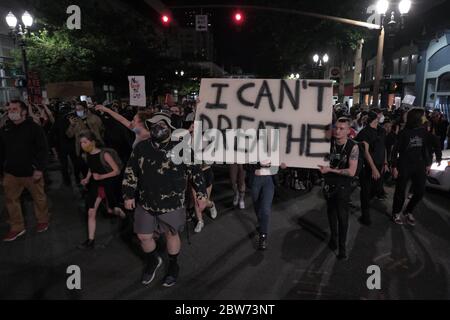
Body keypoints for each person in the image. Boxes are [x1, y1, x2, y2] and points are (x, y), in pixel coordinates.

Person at [122, 113, 208, 287]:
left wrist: (201, 194)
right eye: (153, 124)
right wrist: (128, 194)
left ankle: (173, 265)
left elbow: (196, 172)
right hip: (146, 201)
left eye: (161, 124)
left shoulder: (182, 148)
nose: (157, 127)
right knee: (143, 236)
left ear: (170, 127)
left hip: (172, 203)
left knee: (172, 234)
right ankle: (153, 261)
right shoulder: (141, 147)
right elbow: (130, 171)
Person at [0, 100, 50, 241]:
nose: (11, 111)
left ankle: (42, 220)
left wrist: (40, 169)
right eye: (9, 109)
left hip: (32, 173)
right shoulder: (5, 129)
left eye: (14, 108)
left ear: (24, 111)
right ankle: (17, 227)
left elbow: (43, 150)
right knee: (11, 201)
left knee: (39, 198)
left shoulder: (34, 128)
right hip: (11, 173)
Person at [391, 108, 442, 225]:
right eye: (423, 115)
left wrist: (430, 162)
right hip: (404, 165)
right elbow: (395, 151)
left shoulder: (423, 131)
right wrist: (394, 166)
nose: (425, 117)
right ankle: (396, 212)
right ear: (417, 118)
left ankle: (408, 211)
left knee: (420, 191)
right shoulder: (404, 133)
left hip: (419, 165)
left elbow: (431, 145)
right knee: (400, 191)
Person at [319, 117, 359, 260]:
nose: (338, 131)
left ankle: (342, 247)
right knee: (331, 213)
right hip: (329, 183)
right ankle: (334, 239)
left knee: (342, 217)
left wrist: (331, 170)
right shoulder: (328, 144)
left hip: (343, 184)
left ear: (349, 131)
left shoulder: (353, 146)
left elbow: (352, 171)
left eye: (342, 128)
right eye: (336, 127)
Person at [77, 131, 126, 249]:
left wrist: (101, 176)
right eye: (81, 143)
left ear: (92, 142)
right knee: (92, 212)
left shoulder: (104, 155)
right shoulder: (87, 154)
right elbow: (91, 167)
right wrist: (87, 179)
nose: (82, 145)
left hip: (106, 184)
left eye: (85, 142)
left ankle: (124, 215)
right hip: (95, 185)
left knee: (108, 210)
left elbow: (117, 171)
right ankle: (90, 241)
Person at [356, 110, 388, 225]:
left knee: (375, 189)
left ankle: (367, 206)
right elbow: (366, 152)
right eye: (378, 116)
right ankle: (366, 217)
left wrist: (385, 163)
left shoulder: (381, 131)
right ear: (375, 119)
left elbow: (383, 147)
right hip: (367, 167)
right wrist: (374, 168)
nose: (380, 117)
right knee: (365, 191)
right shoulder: (364, 133)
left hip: (379, 165)